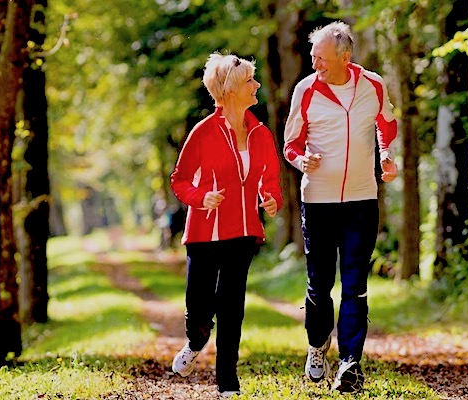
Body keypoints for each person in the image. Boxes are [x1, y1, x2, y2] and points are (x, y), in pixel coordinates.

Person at [283, 21, 399, 393]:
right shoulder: (306, 90)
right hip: (318, 200)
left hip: (363, 199)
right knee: (320, 285)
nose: (314, 61)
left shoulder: (373, 85)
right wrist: (303, 161)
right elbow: (290, 144)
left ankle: (350, 362)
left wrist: (387, 154)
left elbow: (388, 124)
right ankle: (318, 347)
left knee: (355, 283)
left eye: (320, 56)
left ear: (344, 58)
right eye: (313, 55)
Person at [170, 52, 283, 398]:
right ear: (232, 89)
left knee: (232, 305)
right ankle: (195, 341)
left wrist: (270, 198)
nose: (257, 85)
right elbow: (180, 179)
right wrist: (201, 197)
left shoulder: (260, 134)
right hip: (204, 233)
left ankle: (227, 385)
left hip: (244, 231)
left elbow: (270, 178)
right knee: (200, 311)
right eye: (250, 80)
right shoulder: (203, 133)